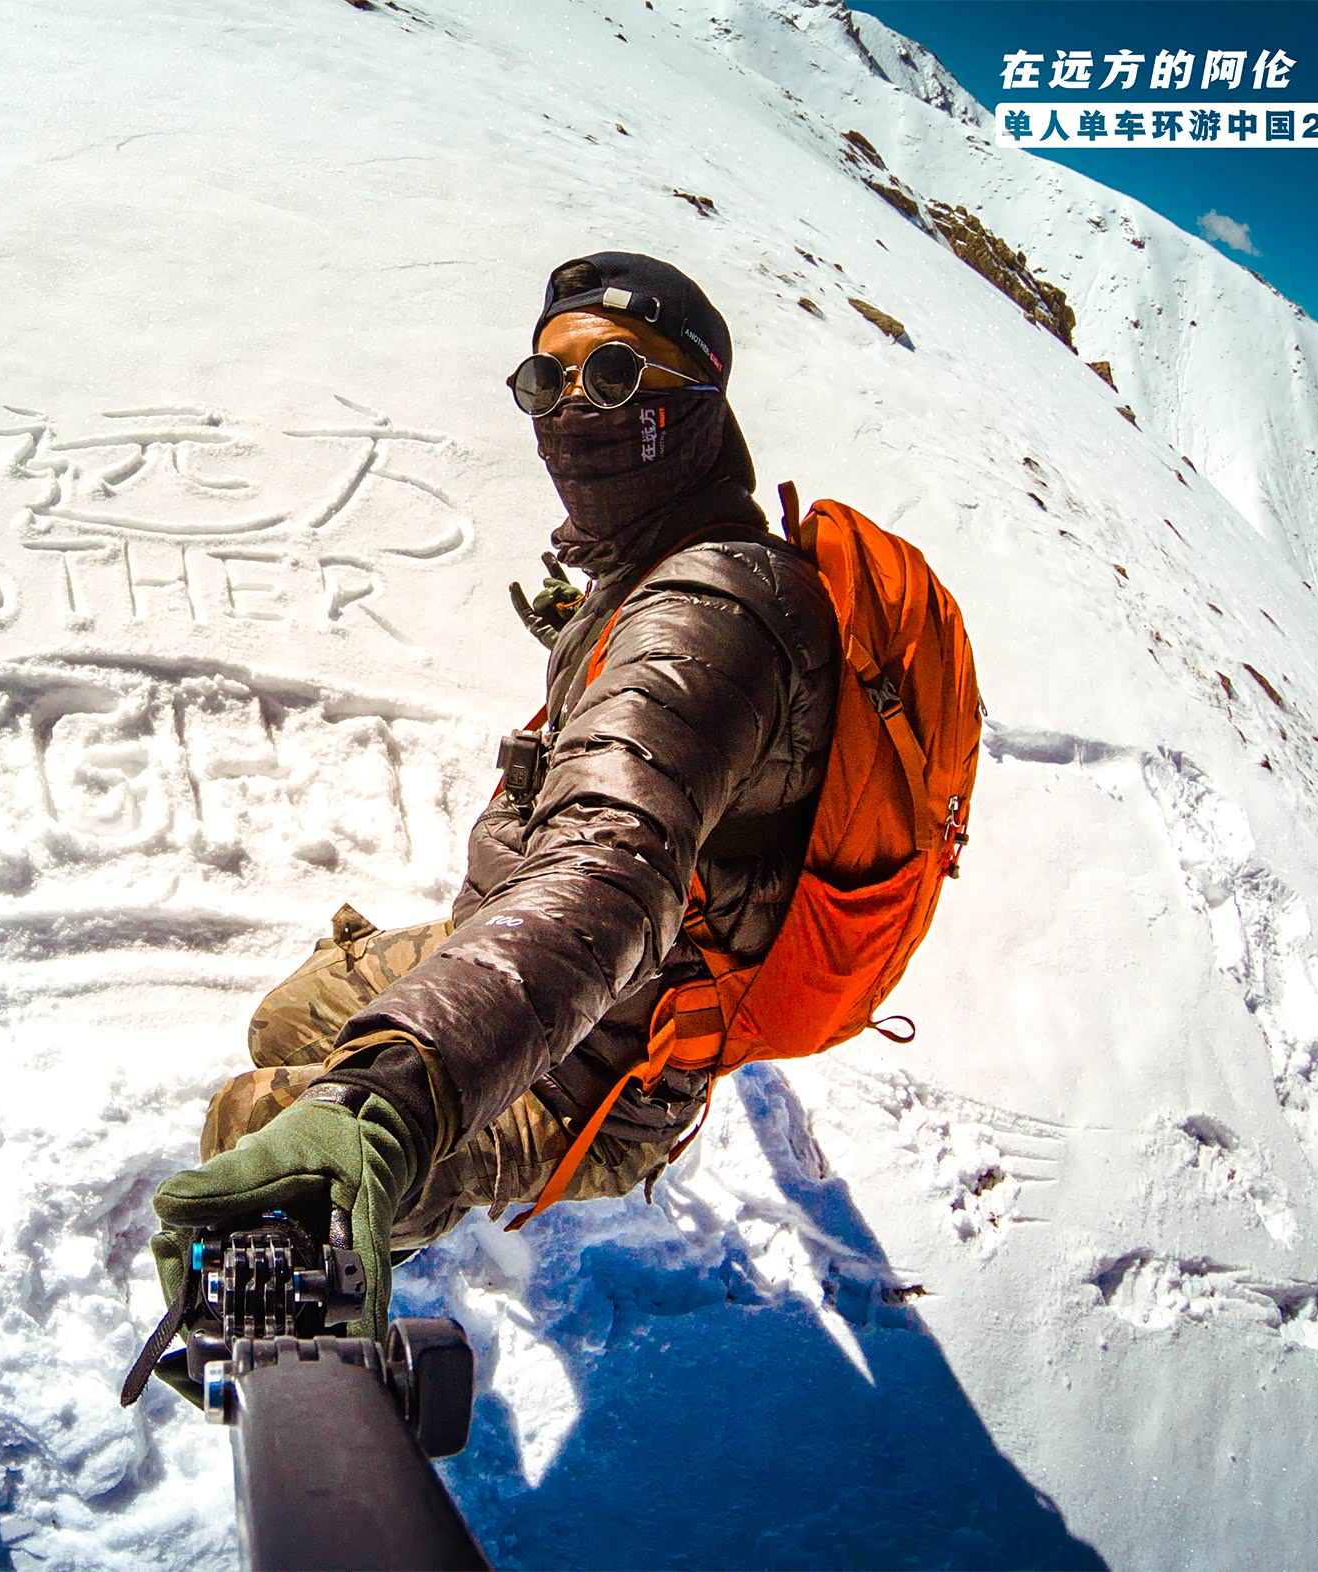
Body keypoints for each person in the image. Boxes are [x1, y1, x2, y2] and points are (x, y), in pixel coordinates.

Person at [150, 252, 845, 1339]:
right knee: (288, 1016)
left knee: (264, 1128)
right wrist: (590, 622)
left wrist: (397, 1106)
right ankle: (412, 1113)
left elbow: (606, 874)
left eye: (616, 377)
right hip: (528, 958)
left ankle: (396, 1214)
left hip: (599, 1073)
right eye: (547, 381)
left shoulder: (704, 617)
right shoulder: (664, 568)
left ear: (701, 399)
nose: (575, 408)